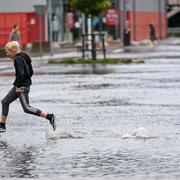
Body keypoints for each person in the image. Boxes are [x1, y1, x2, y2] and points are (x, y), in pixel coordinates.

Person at [0, 41, 56, 133]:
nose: (7, 53)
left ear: (13, 50)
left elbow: (21, 74)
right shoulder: (24, 56)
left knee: (27, 108)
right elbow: (31, 72)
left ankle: (50, 117)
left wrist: (19, 86)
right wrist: (25, 81)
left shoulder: (17, 59)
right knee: (5, 101)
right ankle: (2, 125)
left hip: (21, 86)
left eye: (8, 51)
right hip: (20, 85)